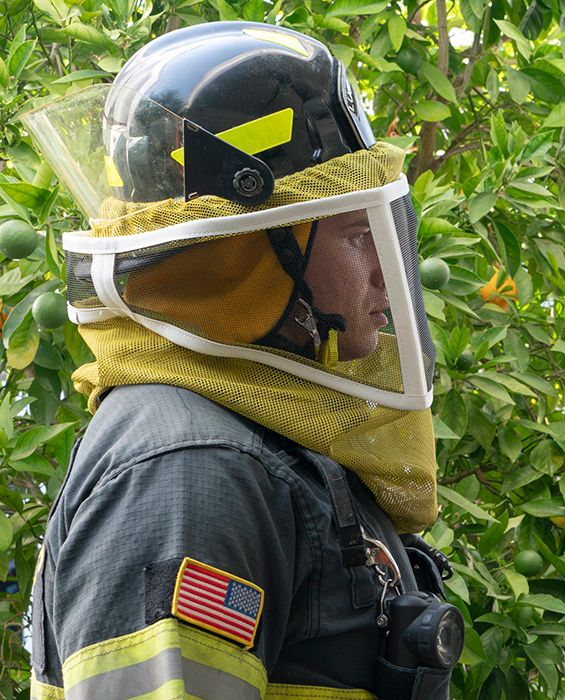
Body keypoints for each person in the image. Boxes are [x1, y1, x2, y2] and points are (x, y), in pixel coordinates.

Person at [21, 21, 462, 699]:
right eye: (354, 235)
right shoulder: (193, 470)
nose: (384, 271)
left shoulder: (272, 432)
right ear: (247, 255)